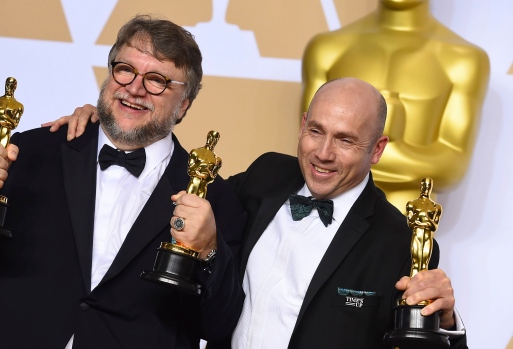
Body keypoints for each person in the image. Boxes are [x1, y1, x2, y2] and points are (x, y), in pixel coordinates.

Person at [52, 77, 467, 348]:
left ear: (377, 149)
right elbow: (175, 190)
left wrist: (446, 322)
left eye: (345, 140)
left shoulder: (399, 241)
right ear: (303, 124)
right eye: (316, 131)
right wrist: (109, 129)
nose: (323, 154)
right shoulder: (265, 176)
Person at [0, 15, 246, 349]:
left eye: (157, 80)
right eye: (125, 69)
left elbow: (217, 325)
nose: (135, 88)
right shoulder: (31, 151)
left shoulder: (215, 200)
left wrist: (208, 252)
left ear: (183, 104)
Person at [301, 0, 490, 211]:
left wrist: (353, 152)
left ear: (379, 147)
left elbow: (451, 167)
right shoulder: (327, 48)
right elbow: (309, 144)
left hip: (404, 216)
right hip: (326, 208)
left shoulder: (464, 59)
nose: (327, 151)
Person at [407, 177, 442, 278]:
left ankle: (419, 287)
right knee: (415, 261)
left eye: (428, 186)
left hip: (427, 234)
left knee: (424, 264)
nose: (426, 188)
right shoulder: (412, 204)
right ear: (421, 186)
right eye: (424, 186)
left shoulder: (435, 207)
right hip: (417, 233)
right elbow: (410, 222)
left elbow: (434, 226)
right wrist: (425, 222)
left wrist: (423, 222)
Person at [0, 77, 24, 148]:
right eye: (7, 84)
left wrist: (3, 117)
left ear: (15, 87)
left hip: (5, 133)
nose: (9, 86)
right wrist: (2, 120)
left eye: (11, 84)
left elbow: (14, 124)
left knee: (2, 153)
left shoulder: (18, 106)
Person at [186, 130, 222, 198]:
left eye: (215, 139)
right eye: (211, 137)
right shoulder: (196, 152)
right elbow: (190, 169)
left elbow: (213, 176)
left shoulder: (217, 159)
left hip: (203, 185)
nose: (212, 140)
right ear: (208, 137)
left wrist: (208, 174)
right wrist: (198, 172)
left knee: (200, 201)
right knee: (189, 198)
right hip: (195, 181)